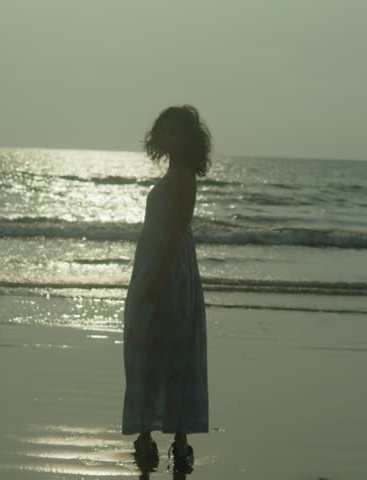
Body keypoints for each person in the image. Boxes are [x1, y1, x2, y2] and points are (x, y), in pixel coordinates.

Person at [122, 105, 210, 473]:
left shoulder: (184, 177)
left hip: (169, 269)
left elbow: (176, 231)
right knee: (147, 346)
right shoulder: (174, 174)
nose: (170, 138)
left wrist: (158, 277)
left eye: (177, 132)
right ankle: (147, 434)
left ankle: (178, 439)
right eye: (166, 131)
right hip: (155, 264)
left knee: (170, 348)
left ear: (188, 138)